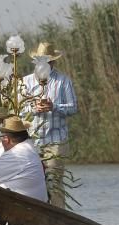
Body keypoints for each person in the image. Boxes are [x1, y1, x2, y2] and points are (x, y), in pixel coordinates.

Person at [21, 41, 77, 208]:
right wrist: (34, 108)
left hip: (56, 140)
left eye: (47, 61)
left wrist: (54, 106)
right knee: (31, 183)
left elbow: (73, 107)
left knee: (54, 184)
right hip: (31, 141)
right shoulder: (25, 82)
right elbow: (17, 109)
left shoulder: (63, 81)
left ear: (53, 62)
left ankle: (59, 220)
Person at [0, 116, 47, 201]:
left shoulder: (16, 154)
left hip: (22, 208)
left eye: (1, 138)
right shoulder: (28, 147)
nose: (0, 141)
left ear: (6, 139)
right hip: (31, 204)